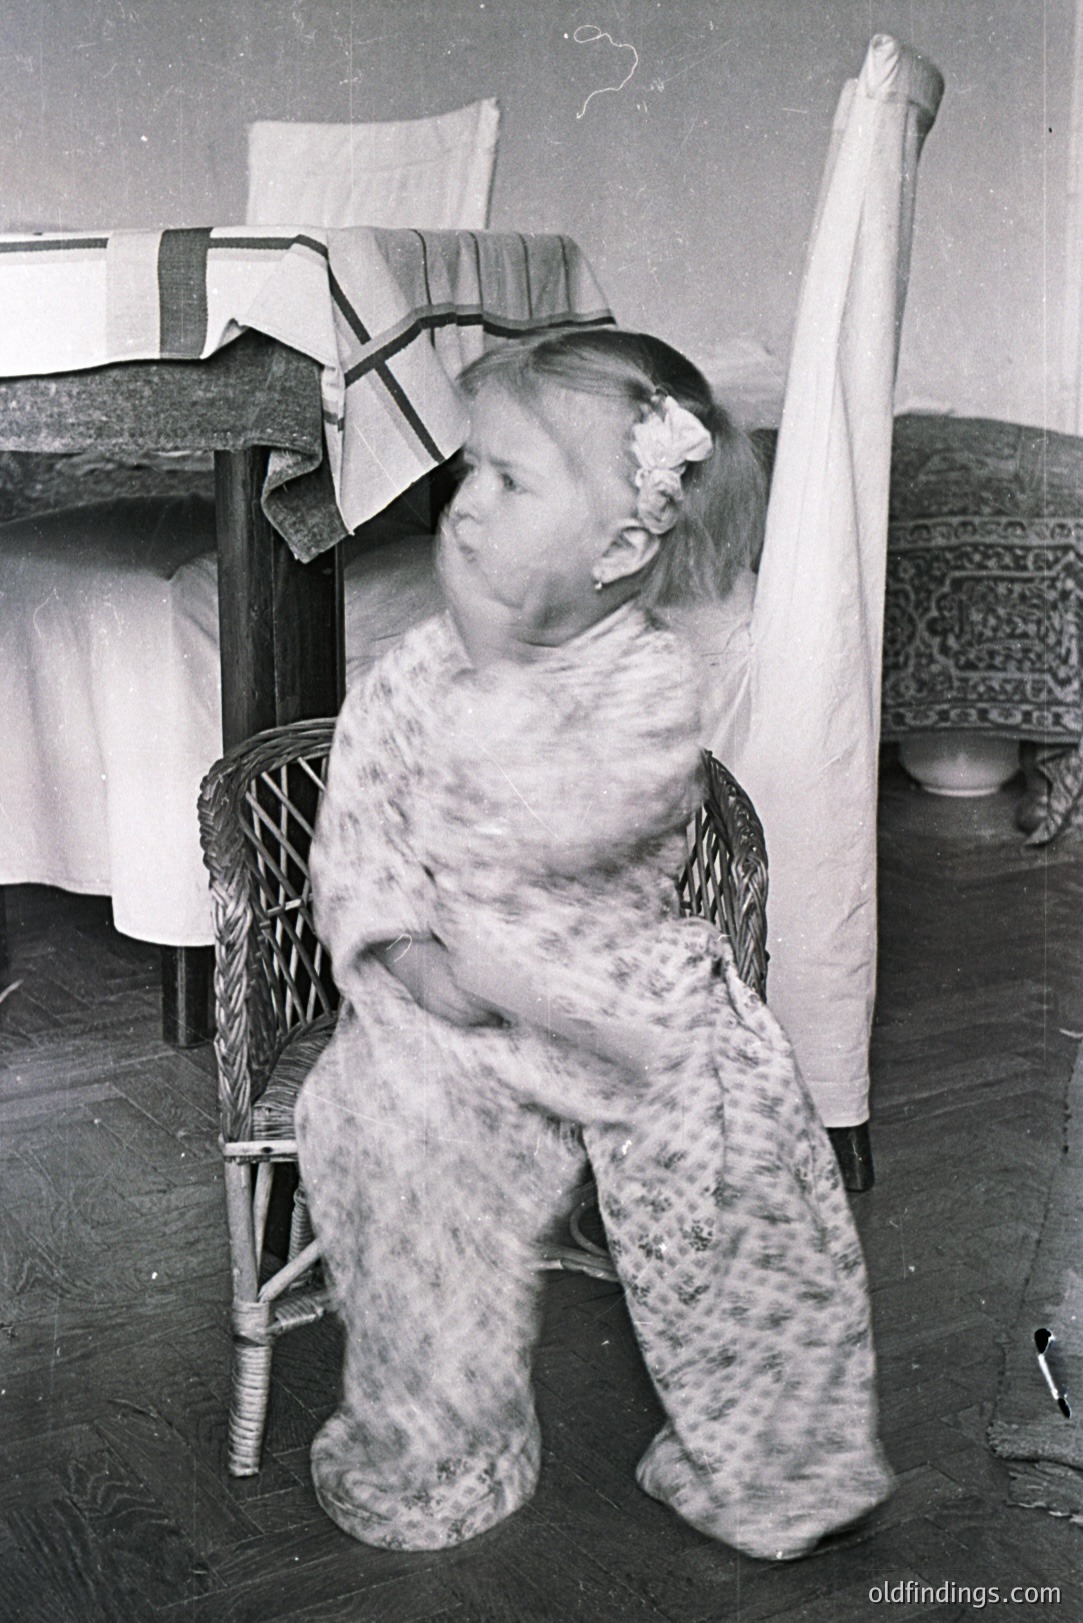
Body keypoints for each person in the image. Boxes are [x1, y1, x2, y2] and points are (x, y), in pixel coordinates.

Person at [294, 328, 892, 1562]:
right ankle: (441, 1454)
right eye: (473, 470)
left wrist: (504, 664)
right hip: (448, 996)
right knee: (385, 1136)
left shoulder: (649, 682)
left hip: (610, 977)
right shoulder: (404, 677)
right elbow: (358, 839)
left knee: (737, 1132)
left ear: (623, 546)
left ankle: (775, 1459)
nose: (467, 504)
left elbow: (574, 825)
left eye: (512, 481)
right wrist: (413, 961)